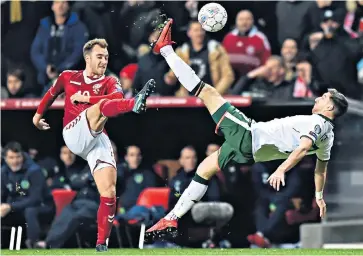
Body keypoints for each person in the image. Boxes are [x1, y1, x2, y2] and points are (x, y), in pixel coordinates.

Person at [145, 18, 348, 239]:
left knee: (207, 92)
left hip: (249, 134)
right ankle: (172, 217)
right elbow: (321, 169)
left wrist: (281, 169)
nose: (318, 98)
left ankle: (164, 50)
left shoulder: (317, 123)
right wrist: (319, 195)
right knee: (204, 170)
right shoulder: (328, 135)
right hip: (250, 154)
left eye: (324, 97)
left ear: (329, 106)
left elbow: (303, 148)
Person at [32, 38, 155, 252]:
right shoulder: (69, 76)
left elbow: (116, 98)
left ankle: (101, 244)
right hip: (73, 133)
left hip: (96, 137)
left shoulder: (110, 81)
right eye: (99, 57)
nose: (104, 61)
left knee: (108, 191)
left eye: (106, 57)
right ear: (87, 58)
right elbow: (51, 94)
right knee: (99, 106)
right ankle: (134, 103)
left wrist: (86, 99)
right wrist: (37, 115)